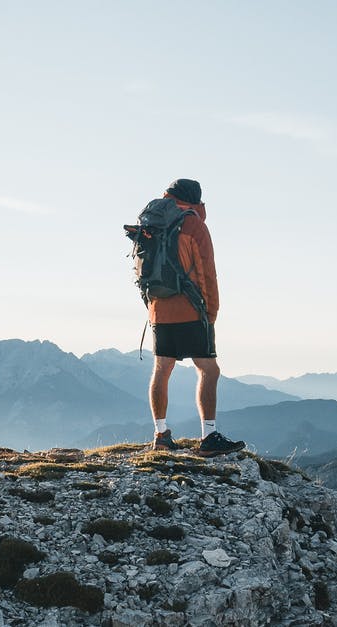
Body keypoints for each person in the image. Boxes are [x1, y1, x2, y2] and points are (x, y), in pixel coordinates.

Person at [147, 178, 246, 457]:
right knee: (209, 370)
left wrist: (153, 307)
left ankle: (160, 435)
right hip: (191, 309)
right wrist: (211, 312)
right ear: (195, 199)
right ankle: (209, 436)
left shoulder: (154, 222)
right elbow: (206, 273)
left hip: (158, 309)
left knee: (162, 369)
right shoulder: (192, 224)